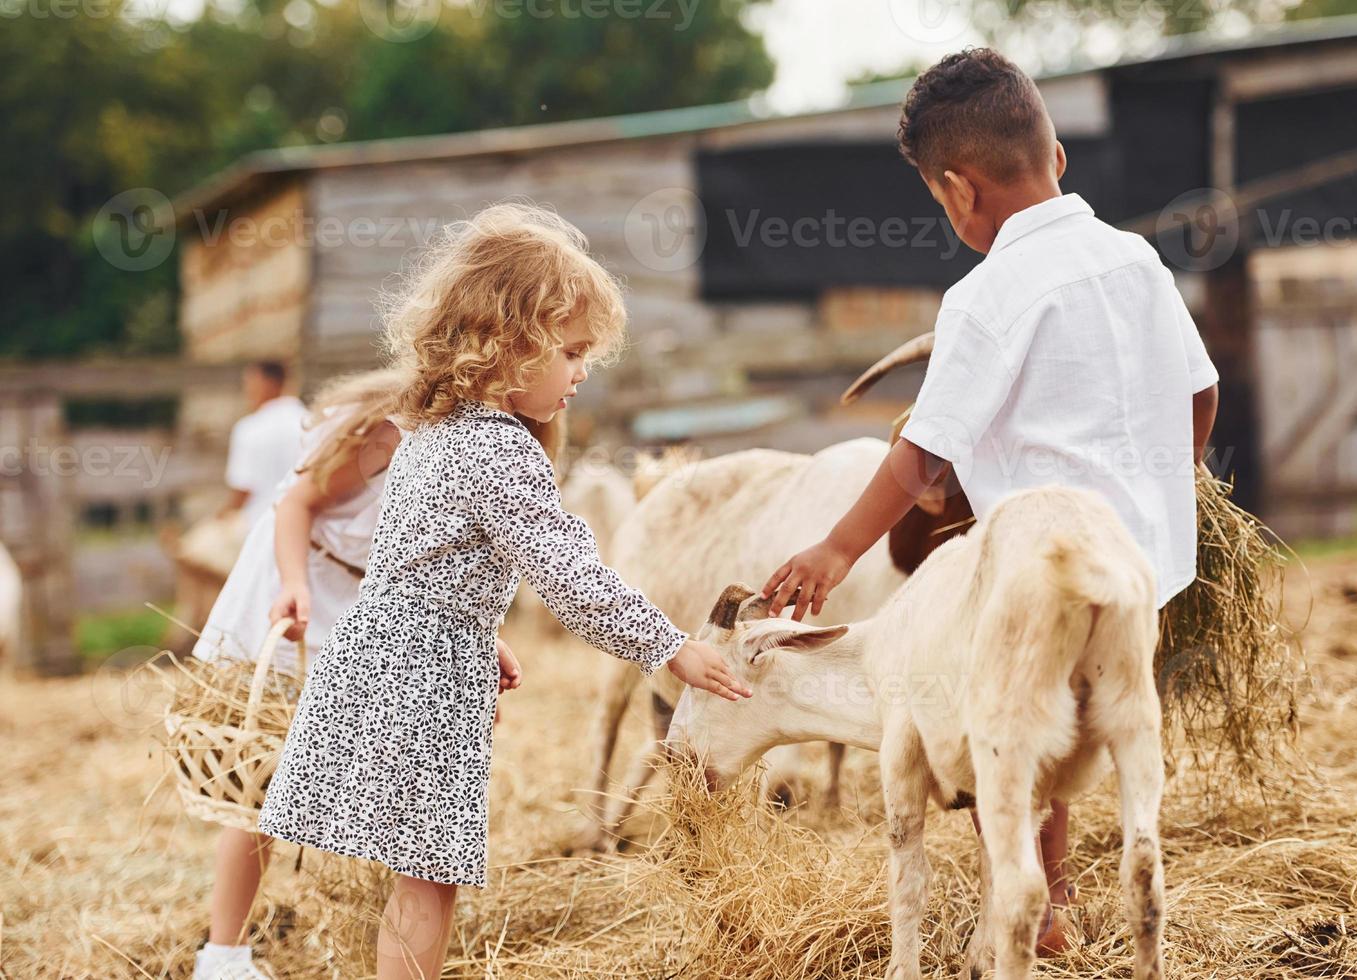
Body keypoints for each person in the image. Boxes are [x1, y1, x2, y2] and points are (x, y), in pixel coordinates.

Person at [759, 48, 1220, 955]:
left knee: (1003, 729)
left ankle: (1031, 914)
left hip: (1032, 568)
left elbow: (921, 456)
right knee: (1106, 725)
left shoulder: (982, 296)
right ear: (1056, 159)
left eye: (940, 200)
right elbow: (1200, 392)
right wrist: (1179, 482)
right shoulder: (1138, 262)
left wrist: (835, 551)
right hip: (1135, 566)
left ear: (958, 193)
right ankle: (1094, 897)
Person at [255, 202, 750, 980]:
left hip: (395, 654)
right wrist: (670, 648)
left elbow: (421, 559)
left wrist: (478, 630)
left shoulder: (436, 431)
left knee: (424, 875)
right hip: (417, 679)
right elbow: (572, 579)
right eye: (572, 350)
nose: (583, 371)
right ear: (510, 344)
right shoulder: (497, 451)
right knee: (427, 879)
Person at [223, 361, 308, 530]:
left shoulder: (249, 428)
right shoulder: (310, 421)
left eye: (250, 383)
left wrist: (223, 517)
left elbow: (243, 488)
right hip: (306, 526)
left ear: (268, 383)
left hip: (261, 526)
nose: (247, 391)